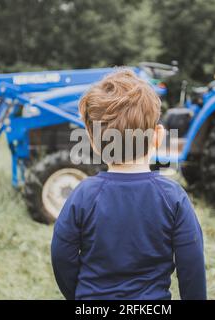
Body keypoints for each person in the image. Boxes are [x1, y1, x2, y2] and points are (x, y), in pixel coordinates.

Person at [51, 69, 206, 300]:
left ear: (92, 142)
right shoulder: (172, 197)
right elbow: (191, 265)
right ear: (158, 137)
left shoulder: (83, 195)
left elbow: (61, 254)